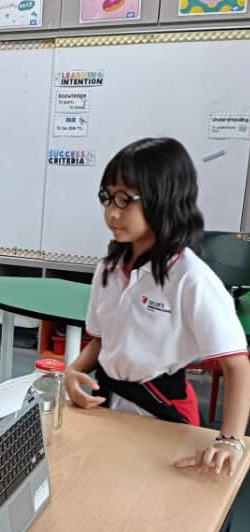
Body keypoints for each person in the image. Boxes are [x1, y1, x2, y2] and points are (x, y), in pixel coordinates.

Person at [63, 137, 250, 476]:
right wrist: (73, 371)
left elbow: (236, 364)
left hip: (163, 416)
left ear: (165, 199)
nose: (112, 212)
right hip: (106, 406)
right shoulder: (107, 269)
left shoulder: (191, 279)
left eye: (125, 200)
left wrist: (230, 440)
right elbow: (103, 340)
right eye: (107, 197)